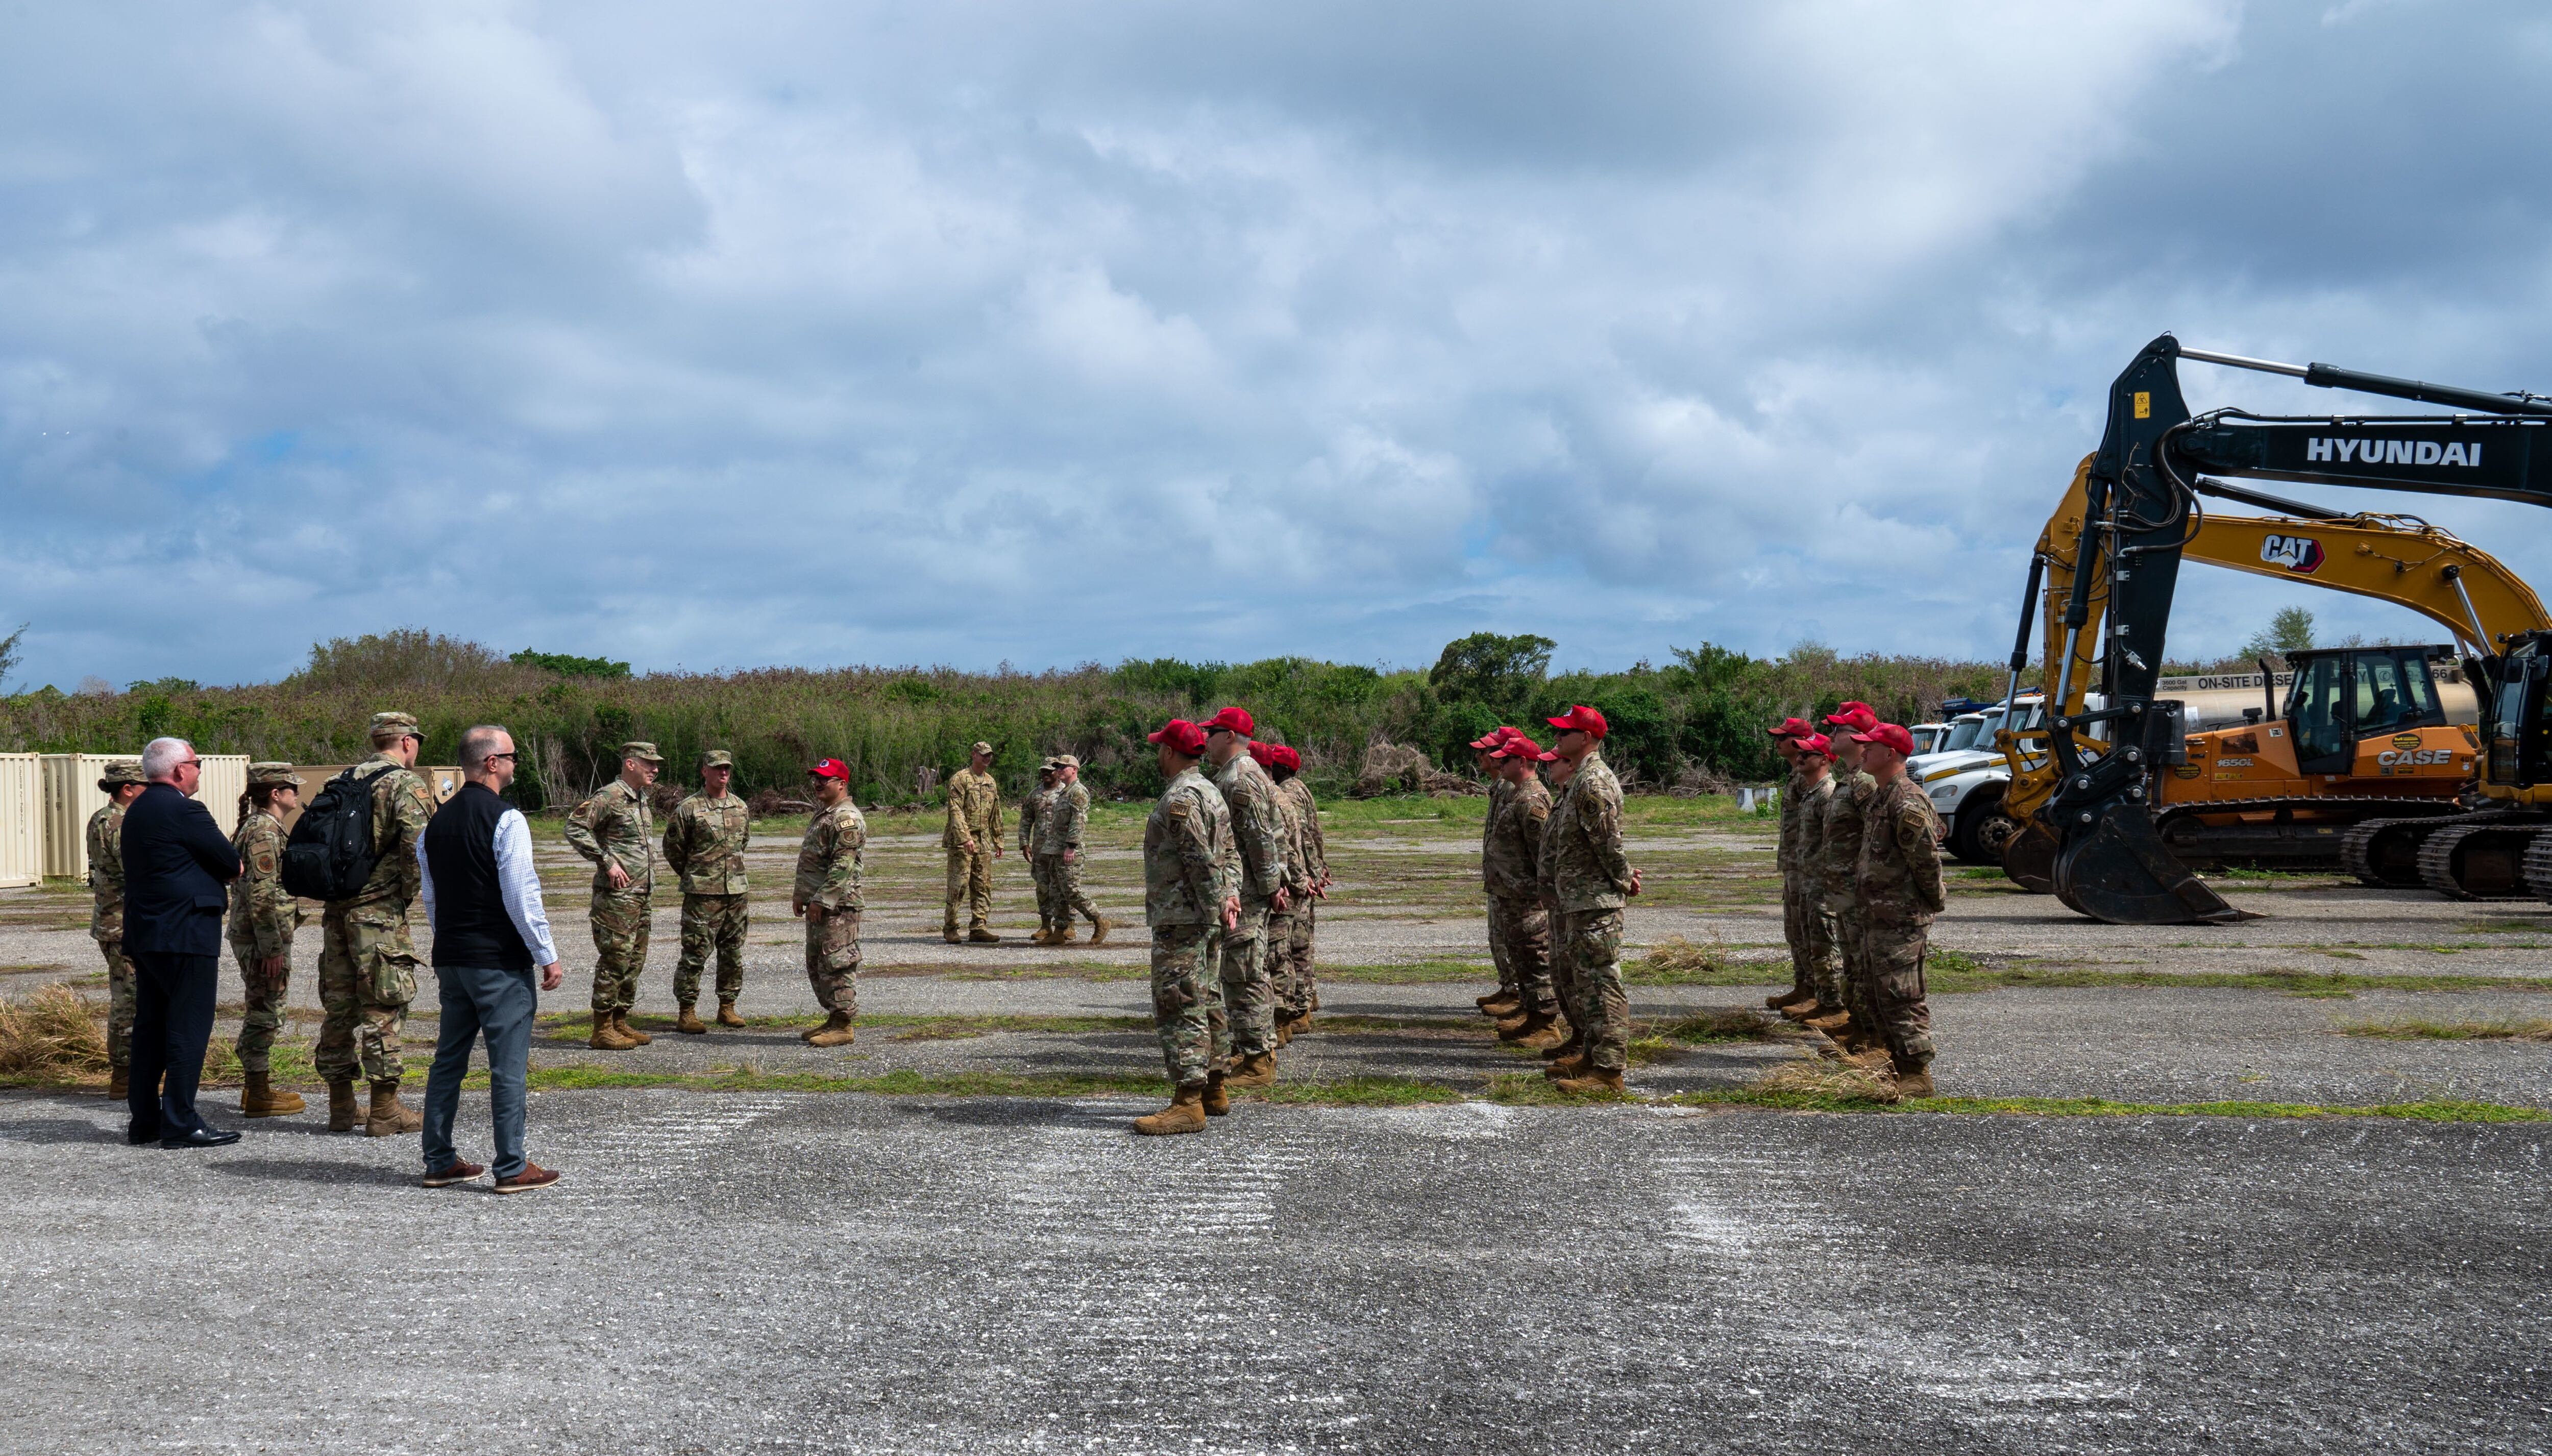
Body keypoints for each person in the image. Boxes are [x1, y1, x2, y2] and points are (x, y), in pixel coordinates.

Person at [416, 726, 565, 1193]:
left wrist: (449, 943)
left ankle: (439, 1159)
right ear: (492, 762)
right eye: (513, 756)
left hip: (453, 958)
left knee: (448, 1061)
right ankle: (512, 1166)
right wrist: (546, 953)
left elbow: (431, 897)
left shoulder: (434, 825)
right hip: (498, 961)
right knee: (508, 1067)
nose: (517, 763)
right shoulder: (507, 819)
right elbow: (521, 894)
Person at [317, 711, 437, 1137]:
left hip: (336, 911)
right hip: (379, 914)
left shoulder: (341, 780)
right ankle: (385, 1109)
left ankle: (341, 1106)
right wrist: (404, 894)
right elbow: (419, 848)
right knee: (384, 1007)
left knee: (339, 1007)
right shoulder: (404, 783)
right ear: (406, 741)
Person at [119, 737, 242, 1148]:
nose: (199, 769)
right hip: (186, 932)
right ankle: (181, 1122)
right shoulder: (186, 809)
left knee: (151, 1027)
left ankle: (145, 1121)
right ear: (178, 770)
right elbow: (232, 863)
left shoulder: (136, 810)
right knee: (188, 1027)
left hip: (147, 933)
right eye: (197, 762)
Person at [1133, 719, 1237, 1136]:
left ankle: (1188, 1101)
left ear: (1171, 752)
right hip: (1205, 915)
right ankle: (1214, 1087)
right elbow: (1229, 853)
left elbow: (1199, 859)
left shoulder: (1180, 798)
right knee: (1207, 997)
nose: (1158, 754)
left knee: (1179, 1002)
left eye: (1160, 748)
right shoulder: (1211, 790)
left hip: (1183, 917)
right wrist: (1229, 897)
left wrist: (1216, 902)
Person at [1538, 706, 1641, 1095]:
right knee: (1586, 982)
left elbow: (1607, 841)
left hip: (1595, 900)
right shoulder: (1582, 778)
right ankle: (1593, 1055)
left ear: (1585, 738)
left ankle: (1610, 1070)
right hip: (1580, 899)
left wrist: (1625, 878)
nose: (1557, 738)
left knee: (1602, 983)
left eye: (1564, 732)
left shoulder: (1593, 782)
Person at [1852, 723, 1946, 1099]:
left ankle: (1916, 1072)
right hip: (1877, 915)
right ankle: (1895, 1063)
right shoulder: (1882, 796)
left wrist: (1931, 902)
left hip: (1901, 917)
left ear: (1890, 753)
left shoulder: (1906, 800)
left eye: (1870, 747)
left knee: (1901, 994)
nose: (1863, 753)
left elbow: (1926, 861)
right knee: (1877, 994)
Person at [1202, 706, 1287, 1088]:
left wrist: (1271, 888)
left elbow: (1260, 839)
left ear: (1230, 736)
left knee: (1244, 975)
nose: (1206, 740)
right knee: (1246, 972)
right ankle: (1253, 1049)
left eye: (1212, 733)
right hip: (1249, 890)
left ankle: (1258, 1062)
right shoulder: (1240, 774)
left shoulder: (1240, 780)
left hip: (1248, 894)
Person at [566, 741, 664, 1051]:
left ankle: (620, 1021)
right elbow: (575, 828)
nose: (655, 769)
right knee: (615, 960)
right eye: (649, 764)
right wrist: (606, 861)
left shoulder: (640, 798)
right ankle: (602, 1029)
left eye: (656, 764)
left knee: (634, 961)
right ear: (631, 764)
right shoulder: (610, 796)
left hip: (640, 894)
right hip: (616, 898)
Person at [228, 763, 305, 1118]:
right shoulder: (264, 831)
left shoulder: (263, 826)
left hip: (259, 935)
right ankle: (258, 1092)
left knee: (264, 1007)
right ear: (276, 794)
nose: (297, 794)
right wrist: (271, 948)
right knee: (266, 1012)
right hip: (261, 939)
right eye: (292, 788)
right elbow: (262, 895)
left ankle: (255, 1088)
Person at [1807, 703, 1883, 1054]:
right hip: (1842, 890)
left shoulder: (1865, 782)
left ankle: (1871, 1037)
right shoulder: (1850, 779)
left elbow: (1876, 835)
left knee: (1863, 964)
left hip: (1857, 889)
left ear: (1858, 737)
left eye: (1839, 729)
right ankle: (1858, 1025)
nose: (1831, 735)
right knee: (1852, 962)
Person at [662, 749, 751, 1033]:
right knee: (695, 953)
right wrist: (695, 875)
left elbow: (742, 843)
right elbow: (673, 849)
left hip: (736, 892)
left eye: (727, 769)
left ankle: (728, 1007)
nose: (723, 773)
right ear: (705, 771)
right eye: (717, 768)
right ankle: (687, 1011)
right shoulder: (689, 808)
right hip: (702, 895)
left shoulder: (740, 807)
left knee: (732, 953)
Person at [1483, 734, 1563, 1049]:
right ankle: (1532, 1016)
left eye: (1506, 759)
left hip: (1528, 897)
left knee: (1536, 956)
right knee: (1522, 957)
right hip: (1512, 894)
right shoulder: (1517, 794)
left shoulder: (1532, 799)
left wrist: (1542, 893)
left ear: (1523, 762)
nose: (1499, 763)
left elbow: (1542, 853)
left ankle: (1547, 1025)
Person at [793, 758, 867, 1047]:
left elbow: (842, 866)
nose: (818, 783)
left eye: (825, 779)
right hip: (821, 904)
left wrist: (822, 900)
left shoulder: (846, 818)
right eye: (816, 779)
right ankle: (834, 1018)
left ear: (842, 784)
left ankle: (843, 1025)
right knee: (819, 962)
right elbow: (813, 860)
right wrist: (802, 895)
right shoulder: (826, 813)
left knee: (838, 962)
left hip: (839, 906)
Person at [85, 759, 146, 1100]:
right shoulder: (119, 822)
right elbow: (134, 867)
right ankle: (124, 1075)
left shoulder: (101, 817)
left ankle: (132, 1072)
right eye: (144, 787)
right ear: (128, 789)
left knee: (130, 996)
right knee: (129, 1000)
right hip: (122, 924)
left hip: (116, 921)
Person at [1787, 734, 1850, 1036]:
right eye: (1799, 754)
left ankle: (1834, 1006)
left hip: (1822, 883)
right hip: (1809, 880)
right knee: (1812, 942)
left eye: (1807, 755)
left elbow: (1833, 842)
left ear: (1824, 760)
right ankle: (1820, 999)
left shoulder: (1827, 793)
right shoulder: (1812, 792)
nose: (1799, 759)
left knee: (1826, 945)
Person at [1253, 742, 1312, 1043]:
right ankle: (1292, 1015)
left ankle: (1282, 1021)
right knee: (1289, 951)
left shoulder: (1272, 797)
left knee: (1277, 955)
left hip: (1283, 886)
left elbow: (1283, 848)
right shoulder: (1283, 795)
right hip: (1291, 882)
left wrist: (1291, 882)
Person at [1267, 745, 1327, 1029]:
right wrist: (1318, 868)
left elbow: (1301, 837)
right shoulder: (1300, 789)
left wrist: (1308, 875)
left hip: (1296, 877)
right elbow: (1316, 832)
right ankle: (1306, 998)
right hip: (1304, 872)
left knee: (1293, 946)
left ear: (1282, 769)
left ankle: (1299, 1007)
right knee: (1302, 942)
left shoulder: (1287, 793)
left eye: (1272, 765)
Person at [1467, 727, 1523, 1019]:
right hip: (1500, 878)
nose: (1480, 756)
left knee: (1511, 938)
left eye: (1485, 751)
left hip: (1512, 881)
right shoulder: (1500, 786)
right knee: (1498, 936)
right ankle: (1508, 986)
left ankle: (1517, 991)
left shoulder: (1511, 787)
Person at [1764, 717, 1818, 1014]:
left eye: (1783, 738)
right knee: (1795, 929)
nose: (1778, 742)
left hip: (1805, 865)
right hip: (1794, 864)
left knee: (1807, 930)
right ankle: (1803, 987)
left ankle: (1814, 991)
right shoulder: (1796, 776)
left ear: (1800, 742)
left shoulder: (1806, 778)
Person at [1035, 755, 1106, 945]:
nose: (1059, 770)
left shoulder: (1078, 792)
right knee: (1057, 893)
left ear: (1074, 769)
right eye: (1057, 767)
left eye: (1063, 767)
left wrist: (1071, 846)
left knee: (1072, 891)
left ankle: (1099, 920)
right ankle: (1059, 931)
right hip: (1056, 850)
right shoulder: (1065, 793)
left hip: (1069, 851)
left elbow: (1079, 821)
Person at [942, 741, 1004, 944]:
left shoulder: (990, 781)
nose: (987, 758)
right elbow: (955, 810)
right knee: (959, 885)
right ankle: (951, 927)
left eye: (990, 755)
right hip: (962, 842)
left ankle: (979, 927)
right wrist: (965, 837)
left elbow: (995, 812)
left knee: (982, 884)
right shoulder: (960, 779)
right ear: (974, 755)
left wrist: (998, 839)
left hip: (983, 840)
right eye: (983, 754)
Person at [1022, 761, 1060, 942]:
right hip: (1041, 850)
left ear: (1057, 773)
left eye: (1049, 771)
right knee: (1043, 888)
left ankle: (1068, 925)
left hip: (1060, 850)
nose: (1045, 774)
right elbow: (1026, 821)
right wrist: (1024, 844)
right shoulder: (1034, 795)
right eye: (1043, 771)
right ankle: (1046, 926)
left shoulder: (1066, 792)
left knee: (1063, 887)